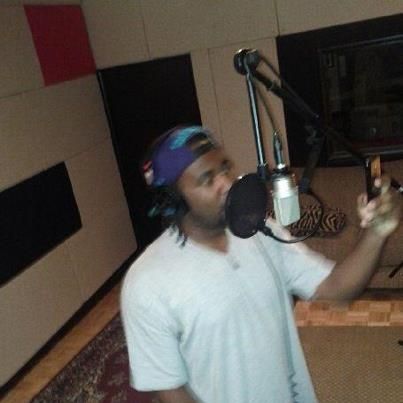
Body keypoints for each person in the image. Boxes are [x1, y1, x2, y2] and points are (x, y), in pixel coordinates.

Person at [120, 125, 401, 403]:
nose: (227, 184)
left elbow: (337, 288)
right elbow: (171, 390)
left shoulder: (261, 232)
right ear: (173, 200)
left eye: (225, 168)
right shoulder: (147, 281)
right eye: (207, 179)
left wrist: (376, 233)